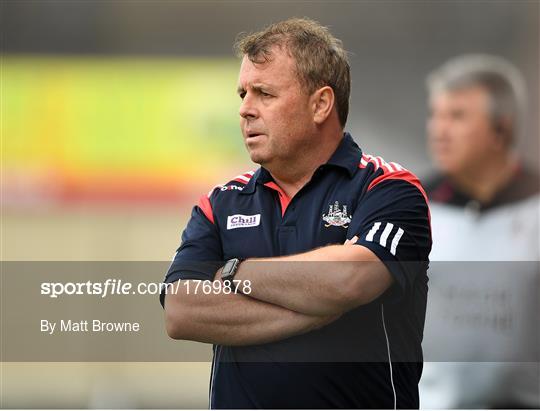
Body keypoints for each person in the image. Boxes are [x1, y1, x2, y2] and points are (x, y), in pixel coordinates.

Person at [161, 18, 431, 409]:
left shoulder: (389, 189)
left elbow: (349, 280)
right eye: (243, 95)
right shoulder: (220, 203)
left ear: (320, 104)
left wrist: (234, 271)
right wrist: (312, 311)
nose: (246, 110)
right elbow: (181, 310)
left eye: (264, 94)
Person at [419, 54, 540, 408]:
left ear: (501, 129)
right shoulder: (412, 206)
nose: (438, 130)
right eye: (435, 115)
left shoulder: (534, 206)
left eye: (456, 116)